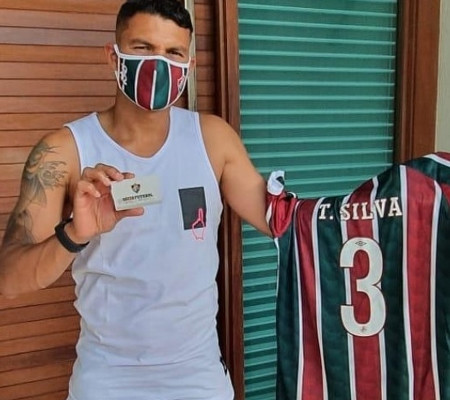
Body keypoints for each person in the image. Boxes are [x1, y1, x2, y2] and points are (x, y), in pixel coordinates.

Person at [0, 1, 270, 399]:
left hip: (198, 378)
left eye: (173, 53)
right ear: (114, 56)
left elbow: (279, 219)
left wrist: (362, 211)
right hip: (107, 380)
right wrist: (74, 234)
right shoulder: (63, 151)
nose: (159, 64)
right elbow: (9, 279)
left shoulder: (214, 139)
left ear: (189, 67)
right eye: (143, 48)